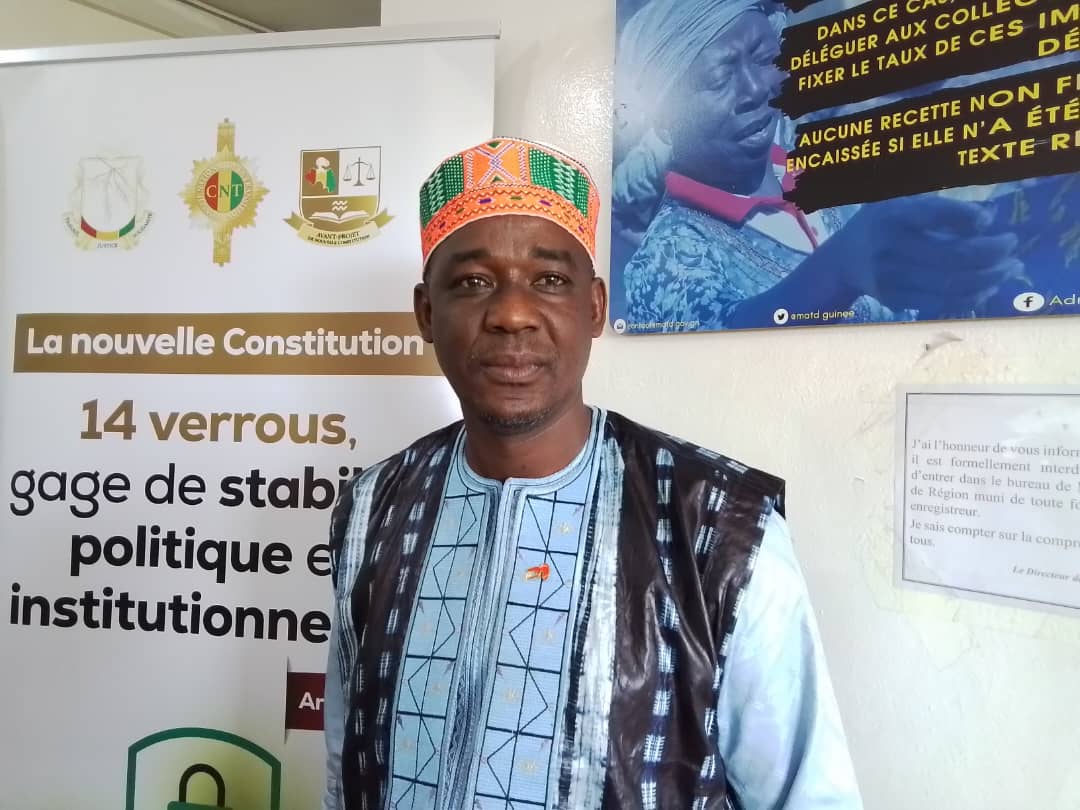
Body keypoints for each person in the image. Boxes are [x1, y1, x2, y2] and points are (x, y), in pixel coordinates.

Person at [322, 136, 863, 809]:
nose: (511, 314)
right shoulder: (373, 507)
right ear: (426, 314)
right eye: (472, 282)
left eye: (550, 280)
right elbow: (346, 761)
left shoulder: (724, 531)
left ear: (596, 307)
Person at [613, 0, 1021, 331]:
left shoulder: (813, 165)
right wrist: (839, 270)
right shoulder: (665, 259)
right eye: (719, 80)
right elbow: (720, 341)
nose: (756, 89)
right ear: (665, 115)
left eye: (764, 58)